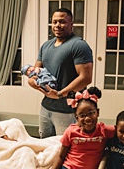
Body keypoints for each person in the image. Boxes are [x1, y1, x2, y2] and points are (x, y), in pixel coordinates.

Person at [27, 7, 93, 138]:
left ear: (71, 24)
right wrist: (32, 80)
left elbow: (85, 78)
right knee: (44, 144)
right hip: (46, 107)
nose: (58, 25)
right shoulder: (46, 46)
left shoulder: (78, 45)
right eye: (55, 22)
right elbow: (36, 71)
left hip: (67, 111)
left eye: (62, 22)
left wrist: (59, 94)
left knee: (63, 149)